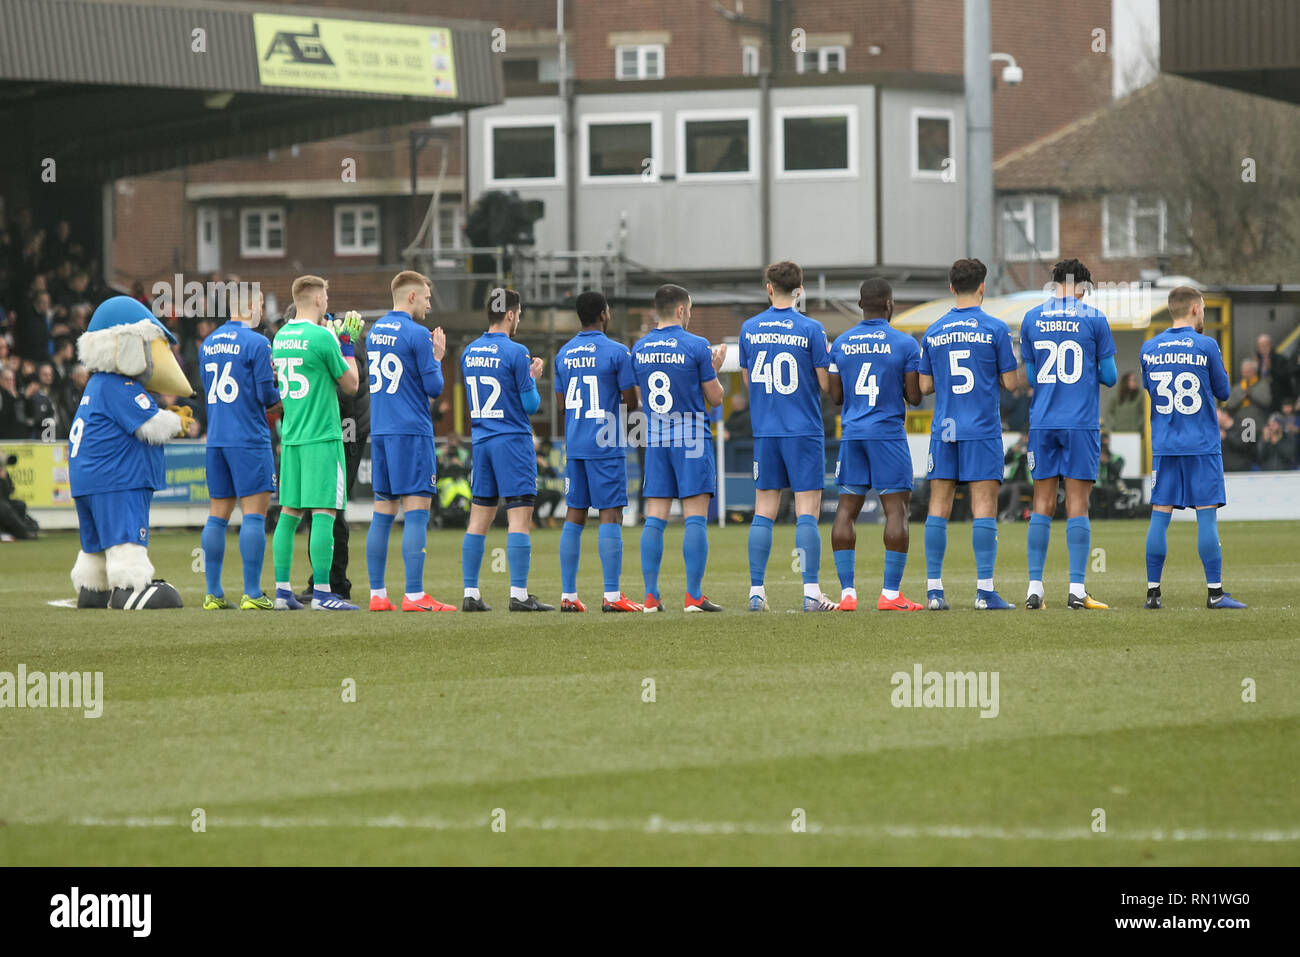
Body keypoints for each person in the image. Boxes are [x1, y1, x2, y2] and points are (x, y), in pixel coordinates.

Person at [917, 258, 1019, 611]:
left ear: (950, 288)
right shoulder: (995, 329)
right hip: (982, 429)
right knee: (984, 508)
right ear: (982, 287)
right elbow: (1011, 382)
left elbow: (925, 385)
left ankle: (934, 591)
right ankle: (984, 591)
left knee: (939, 507)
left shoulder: (933, 331)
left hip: (944, 427)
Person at [739, 260, 837, 612]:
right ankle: (811, 592)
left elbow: (750, 382)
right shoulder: (812, 329)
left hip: (766, 430)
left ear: (769, 288)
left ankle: (756, 591)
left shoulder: (749, 329)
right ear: (801, 289)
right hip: (803, 430)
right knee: (806, 511)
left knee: (763, 510)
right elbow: (826, 385)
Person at [1019, 258, 1117, 610]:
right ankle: (1076, 590)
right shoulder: (1094, 319)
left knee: (1041, 504)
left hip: (1043, 422)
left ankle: (1035, 588)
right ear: (1083, 287)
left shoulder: (1031, 318)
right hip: (1080, 423)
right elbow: (1110, 376)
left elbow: (1031, 379)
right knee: (1078, 504)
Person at [1140, 285, 1244, 609]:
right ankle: (1215, 593)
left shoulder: (1149, 348)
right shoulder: (1207, 345)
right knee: (1206, 517)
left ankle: (1153, 593)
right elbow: (1224, 392)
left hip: (1166, 445)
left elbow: (1150, 389)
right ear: (1197, 309)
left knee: (1160, 515)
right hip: (1201, 444)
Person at [826, 278, 924, 612]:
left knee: (846, 510)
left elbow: (836, 396)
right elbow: (914, 395)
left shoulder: (841, 343)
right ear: (889, 305)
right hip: (887, 435)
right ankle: (891, 594)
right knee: (896, 510)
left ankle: (847, 595)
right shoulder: (905, 344)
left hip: (853, 434)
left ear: (860, 304)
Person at [363, 270, 456, 613]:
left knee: (383, 512)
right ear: (412, 297)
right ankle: (415, 595)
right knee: (416, 512)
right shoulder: (417, 335)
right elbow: (433, 389)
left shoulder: (375, 332)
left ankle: (377, 594)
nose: (430, 306)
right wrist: (438, 355)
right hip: (412, 431)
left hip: (383, 430)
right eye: (428, 298)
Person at [632, 283, 727, 612]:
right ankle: (693, 596)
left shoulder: (640, 348)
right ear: (682, 310)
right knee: (695, 519)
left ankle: (650, 596)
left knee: (655, 518)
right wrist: (713, 370)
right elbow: (715, 398)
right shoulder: (697, 345)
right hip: (691, 438)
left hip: (656, 439)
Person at [269, 275, 361, 611]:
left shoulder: (281, 336)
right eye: (326, 295)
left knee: (290, 513)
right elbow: (351, 384)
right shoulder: (323, 336)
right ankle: (322, 592)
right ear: (319, 299)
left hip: (292, 436)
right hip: (322, 435)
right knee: (324, 512)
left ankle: (282, 592)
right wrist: (347, 342)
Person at [459, 288, 552, 611]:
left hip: (482, 441)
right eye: (519, 315)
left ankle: (470, 593)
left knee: (478, 520)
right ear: (511, 314)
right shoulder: (517, 352)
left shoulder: (468, 352)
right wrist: (533, 377)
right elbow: (530, 404)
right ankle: (519, 594)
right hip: (512, 440)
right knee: (519, 518)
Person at [553, 290, 642, 612]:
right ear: (603, 314)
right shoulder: (618, 352)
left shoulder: (563, 354)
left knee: (574, 516)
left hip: (575, 444)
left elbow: (563, 405)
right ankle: (613, 596)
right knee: (611, 514)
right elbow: (631, 402)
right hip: (605, 442)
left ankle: (568, 595)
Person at [198, 291, 282, 610]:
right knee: (254, 516)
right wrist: (285, 395)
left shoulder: (208, 343)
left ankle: (213, 593)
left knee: (217, 517)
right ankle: (252, 592)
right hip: (248, 437)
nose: (262, 310)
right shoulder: (258, 343)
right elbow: (266, 395)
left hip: (217, 437)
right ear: (248, 307)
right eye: (260, 304)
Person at [1225, 358, 1271, 437]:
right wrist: (1241, 398)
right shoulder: (1237, 387)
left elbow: (1267, 402)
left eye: (1248, 372)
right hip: (1240, 425)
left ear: (1254, 372)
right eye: (1243, 372)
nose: (1244, 374)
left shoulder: (1262, 385)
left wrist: (1251, 394)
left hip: (1258, 425)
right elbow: (1229, 405)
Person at [1255, 333, 1294, 411]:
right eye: (1260, 346)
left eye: (1265, 345)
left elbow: (1286, 377)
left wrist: (1271, 368)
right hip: (1263, 398)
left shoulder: (1280, 359)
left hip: (1279, 398)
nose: (1263, 348)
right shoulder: (1257, 361)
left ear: (1270, 345)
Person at [1218, 408, 1253, 473]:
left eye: (1217, 415)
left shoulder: (1243, 425)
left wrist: (1226, 437)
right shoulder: (1218, 431)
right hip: (1224, 471)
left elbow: (1244, 445)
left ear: (1225, 415)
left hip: (1242, 470)